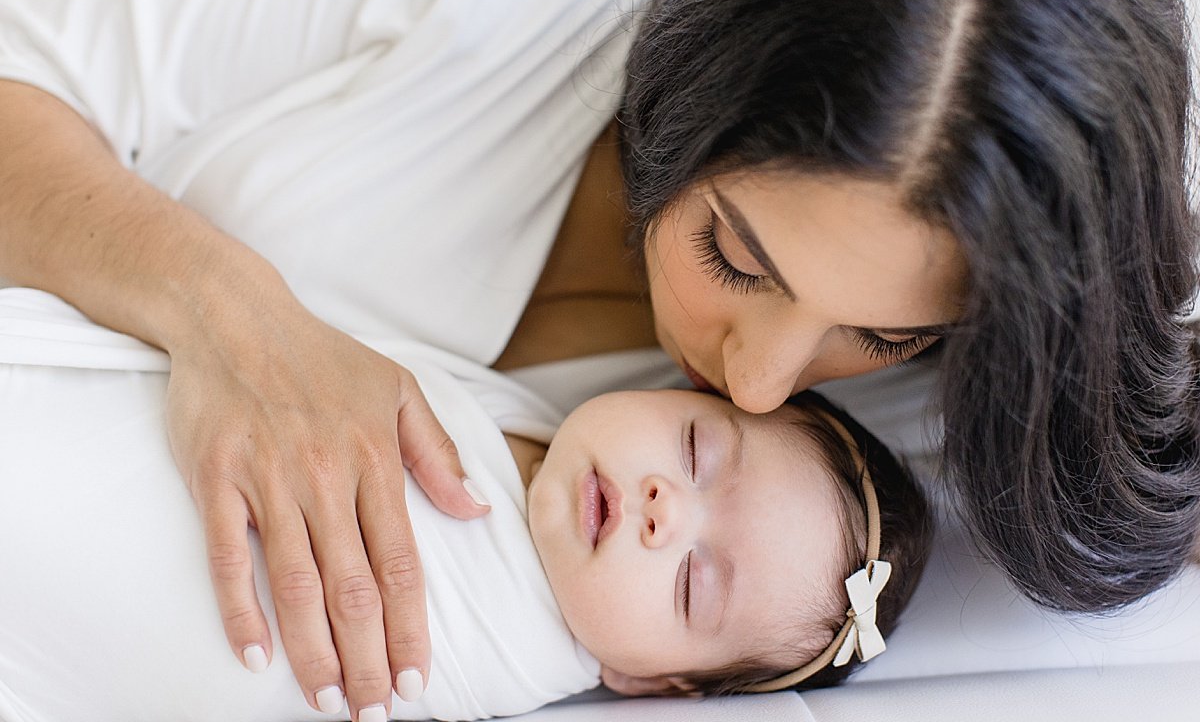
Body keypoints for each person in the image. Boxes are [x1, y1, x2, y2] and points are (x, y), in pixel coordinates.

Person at [0, 0, 1195, 719]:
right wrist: (224, 308)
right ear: (684, 84)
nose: (765, 384)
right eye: (734, 253)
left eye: (885, 335)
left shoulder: (842, 492)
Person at [0, 288, 931, 721]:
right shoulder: (532, 421)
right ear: (685, 389)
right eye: (694, 451)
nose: (663, 511)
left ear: (652, 683)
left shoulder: (504, 654)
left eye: (693, 583)